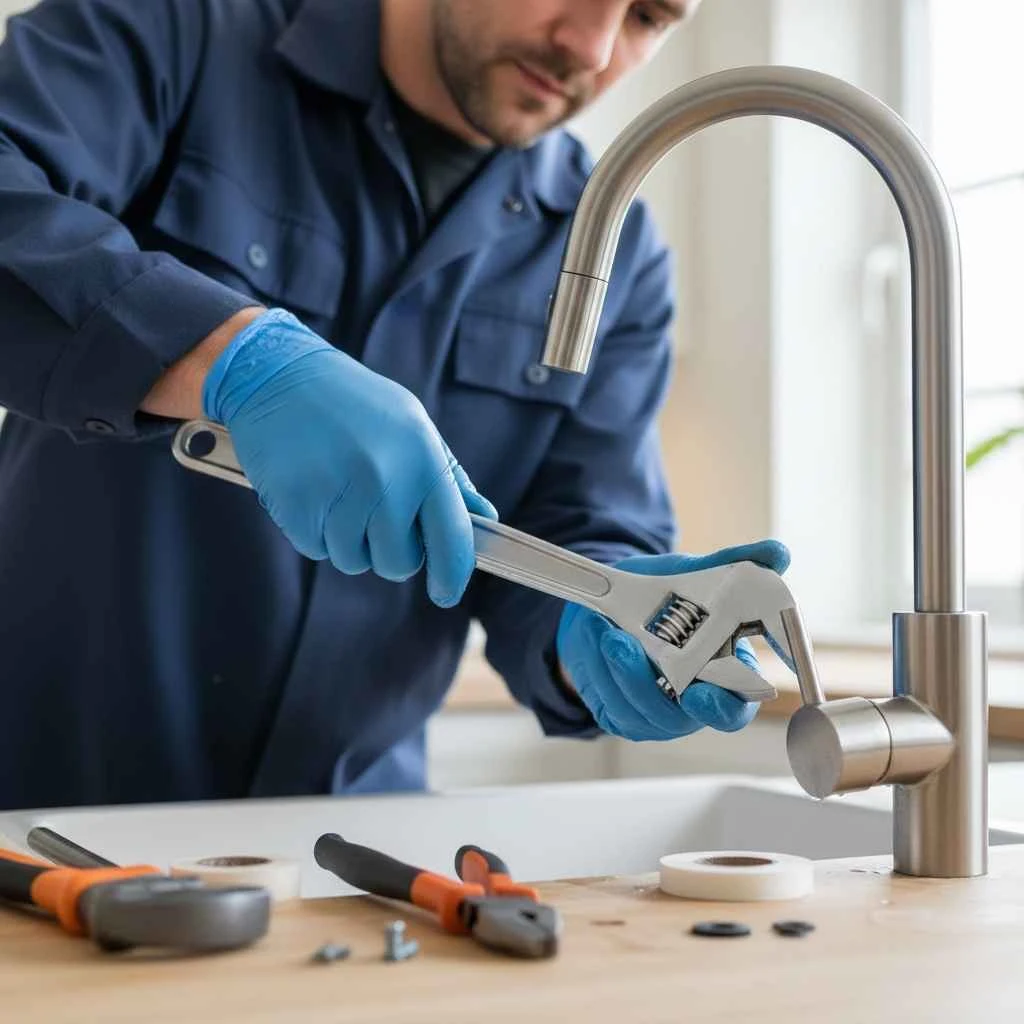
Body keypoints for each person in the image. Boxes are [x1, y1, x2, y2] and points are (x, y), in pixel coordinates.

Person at [0, 0, 789, 810]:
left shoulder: (609, 256)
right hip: (40, 809)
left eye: (649, 17)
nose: (589, 47)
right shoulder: (172, 31)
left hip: (353, 854)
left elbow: (571, 531)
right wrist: (228, 356)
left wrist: (599, 626)